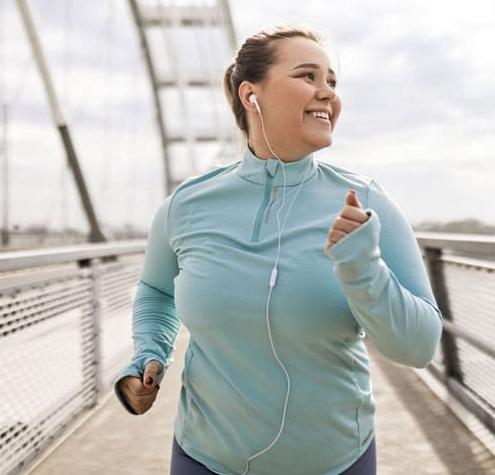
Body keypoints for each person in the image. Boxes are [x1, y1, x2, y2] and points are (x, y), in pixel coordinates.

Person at [115, 25, 443, 475]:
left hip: (336, 462)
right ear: (252, 95)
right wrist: (148, 353)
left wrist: (363, 269)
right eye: (308, 76)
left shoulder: (365, 202)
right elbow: (156, 290)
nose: (327, 93)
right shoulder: (186, 205)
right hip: (205, 458)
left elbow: (420, 346)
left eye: (332, 82)